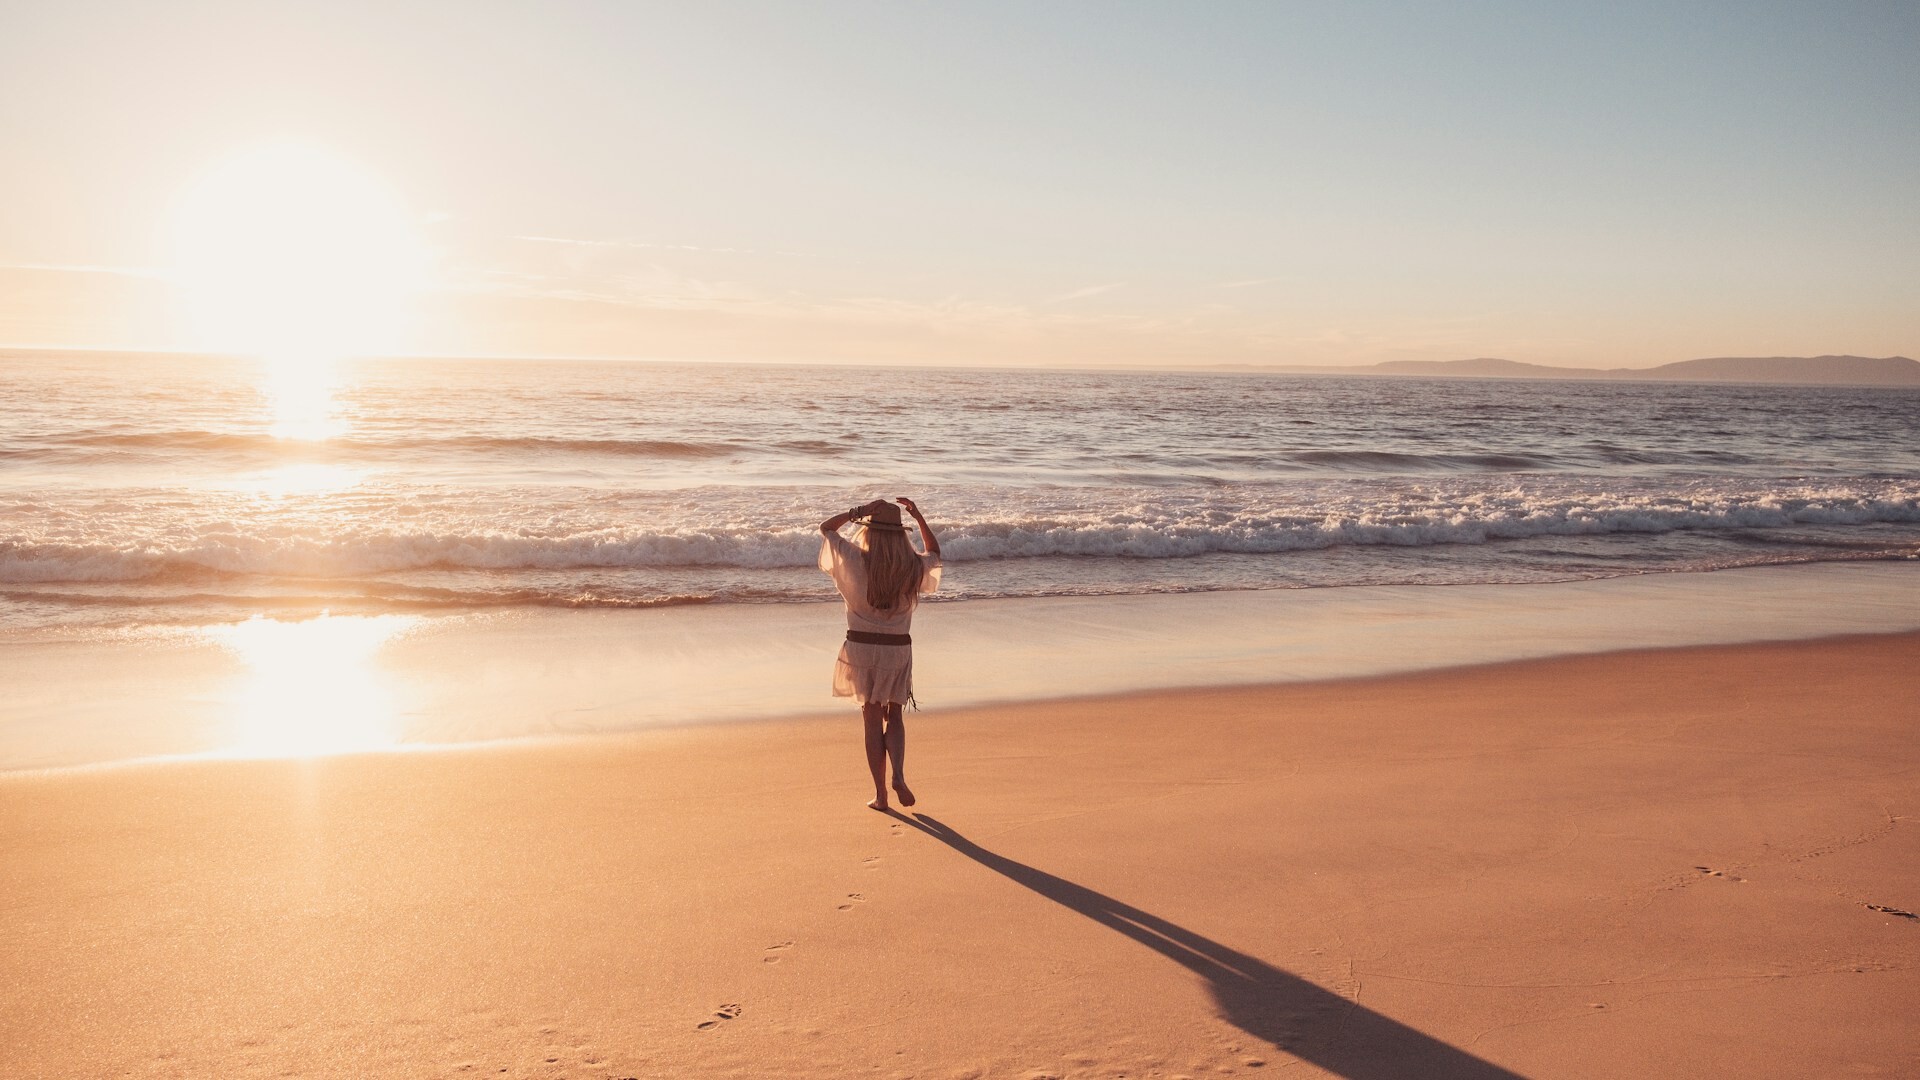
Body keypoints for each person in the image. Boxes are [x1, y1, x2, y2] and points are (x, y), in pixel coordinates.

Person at [818, 497, 942, 811]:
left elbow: (826, 529)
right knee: (895, 715)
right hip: (897, 649)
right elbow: (935, 554)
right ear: (901, 533)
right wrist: (918, 515)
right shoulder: (912, 566)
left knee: (871, 718)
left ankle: (881, 795)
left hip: (860, 646)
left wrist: (858, 511)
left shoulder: (853, 557)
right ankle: (898, 775)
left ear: (870, 530)